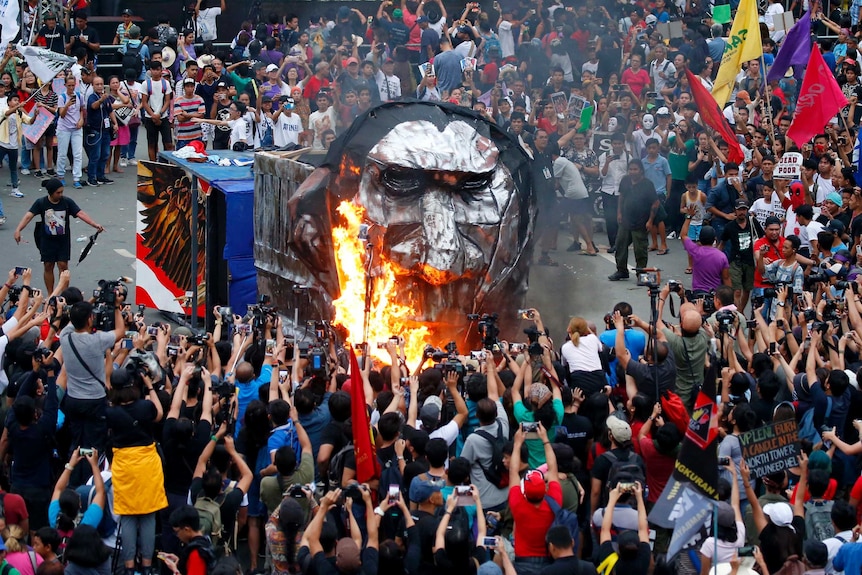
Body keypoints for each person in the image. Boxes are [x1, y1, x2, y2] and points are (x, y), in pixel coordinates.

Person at [12, 179, 103, 293]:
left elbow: (80, 213)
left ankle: (64, 294)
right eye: (58, 192)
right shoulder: (41, 203)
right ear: (51, 192)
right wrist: (18, 229)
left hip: (63, 240)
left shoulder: (67, 202)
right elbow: (28, 216)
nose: (60, 195)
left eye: (61, 192)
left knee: (63, 265)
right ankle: (51, 294)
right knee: (48, 266)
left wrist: (94, 224)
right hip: (46, 240)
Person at [508, 424, 561, 575]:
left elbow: (513, 472)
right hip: (548, 561)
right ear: (545, 490)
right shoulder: (554, 502)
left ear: (525, 493)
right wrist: (545, 440)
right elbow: (553, 469)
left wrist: (517, 444)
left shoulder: (518, 503)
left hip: (522, 561)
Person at [608, 160, 659, 281]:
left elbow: (655, 203)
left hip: (641, 222)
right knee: (620, 245)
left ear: (641, 170)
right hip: (625, 220)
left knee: (640, 249)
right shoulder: (625, 180)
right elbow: (621, 197)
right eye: (630, 169)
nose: (632, 172)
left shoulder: (648, 184)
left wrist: (650, 221)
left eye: (635, 169)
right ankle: (621, 270)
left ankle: (641, 273)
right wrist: (619, 213)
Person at [596, 483, 651, 575]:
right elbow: (643, 529)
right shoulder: (643, 561)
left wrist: (612, 500)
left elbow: (605, 529)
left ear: (618, 548)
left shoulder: (610, 558)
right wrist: (639, 498)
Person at [159, 506, 215, 575]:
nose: (177, 536)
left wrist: (175, 570)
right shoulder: (206, 540)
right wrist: (178, 560)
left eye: (177, 532)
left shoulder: (196, 554)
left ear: (186, 529)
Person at [560, 317, 605, 395]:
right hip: (598, 379)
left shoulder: (565, 347)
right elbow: (601, 349)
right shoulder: (593, 338)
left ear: (569, 329)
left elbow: (564, 365)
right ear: (586, 329)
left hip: (579, 383)